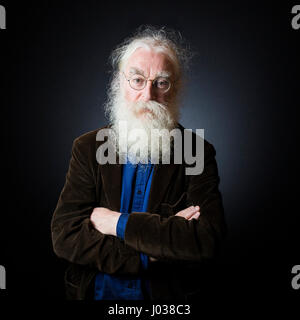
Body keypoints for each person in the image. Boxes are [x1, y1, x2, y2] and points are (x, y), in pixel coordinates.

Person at [51, 26, 227, 301]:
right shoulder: (87, 148)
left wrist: (116, 223)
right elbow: (65, 236)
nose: (148, 95)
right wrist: (151, 255)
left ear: (176, 88)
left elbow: (204, 241)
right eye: (137, 80)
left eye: (161, 82)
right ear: (120, 83)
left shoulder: (197, 152)